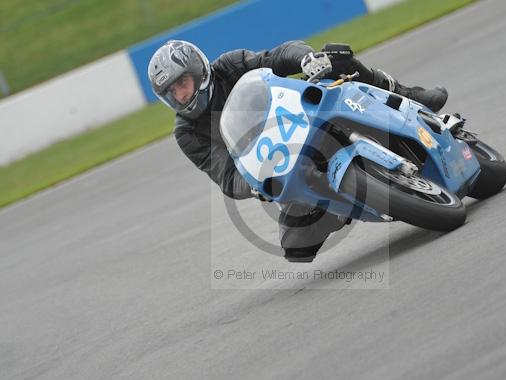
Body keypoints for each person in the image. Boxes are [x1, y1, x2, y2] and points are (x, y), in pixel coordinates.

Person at [147, 40, 448, 262]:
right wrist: (255, 185)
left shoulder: (229, 65)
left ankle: (405, 96)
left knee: (336, 59)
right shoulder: (186, 132)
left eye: (182, 83)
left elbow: (277, 57)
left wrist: (306, 60)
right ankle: (346, 200)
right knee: (296, 245)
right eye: (171, 92)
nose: (180, 94)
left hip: (300, 115)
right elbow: (226, 175)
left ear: (199, 69)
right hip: (283, 165)